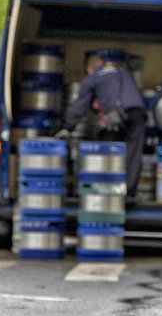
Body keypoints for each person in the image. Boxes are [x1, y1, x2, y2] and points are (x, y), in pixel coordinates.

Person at [56, 53, 147, 204]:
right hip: (137, 113)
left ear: (89, 68)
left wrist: (68, 127)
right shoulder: (122, 72)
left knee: (107, 150)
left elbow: (80, 106)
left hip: (116, 116)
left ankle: (106, 189)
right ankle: (129, 193)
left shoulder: (93, 77)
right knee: (133, 152)